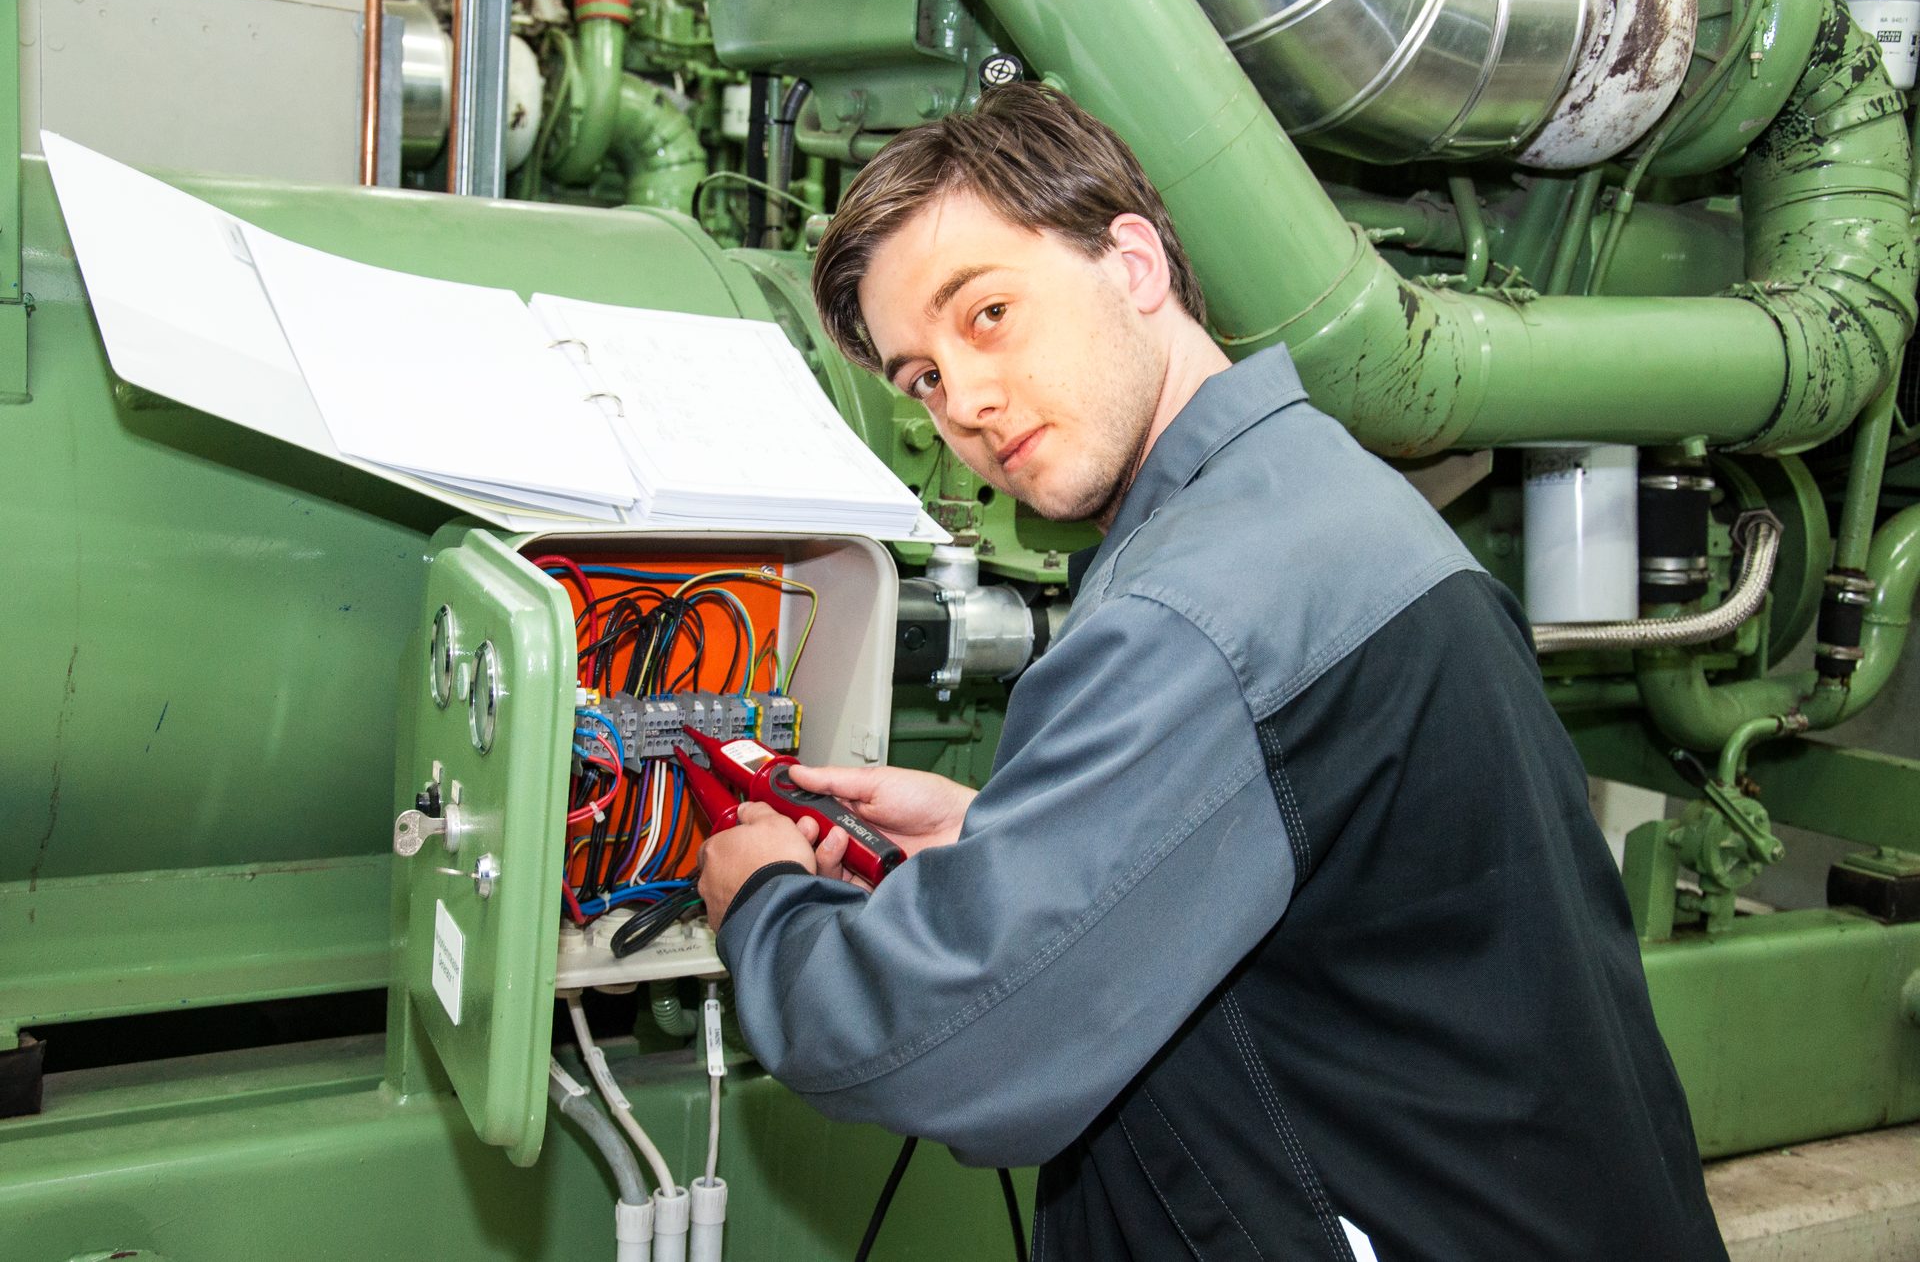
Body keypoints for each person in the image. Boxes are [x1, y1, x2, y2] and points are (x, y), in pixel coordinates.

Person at [695, 82, 1727, 1260]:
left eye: (986, 314)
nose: (965, 404)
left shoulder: (1201, 608)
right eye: (922, 378)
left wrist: (769, 903)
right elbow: (1312, 867)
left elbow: (935, 1040)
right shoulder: (1308, 501)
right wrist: (1008, 837)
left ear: (1133, 264)